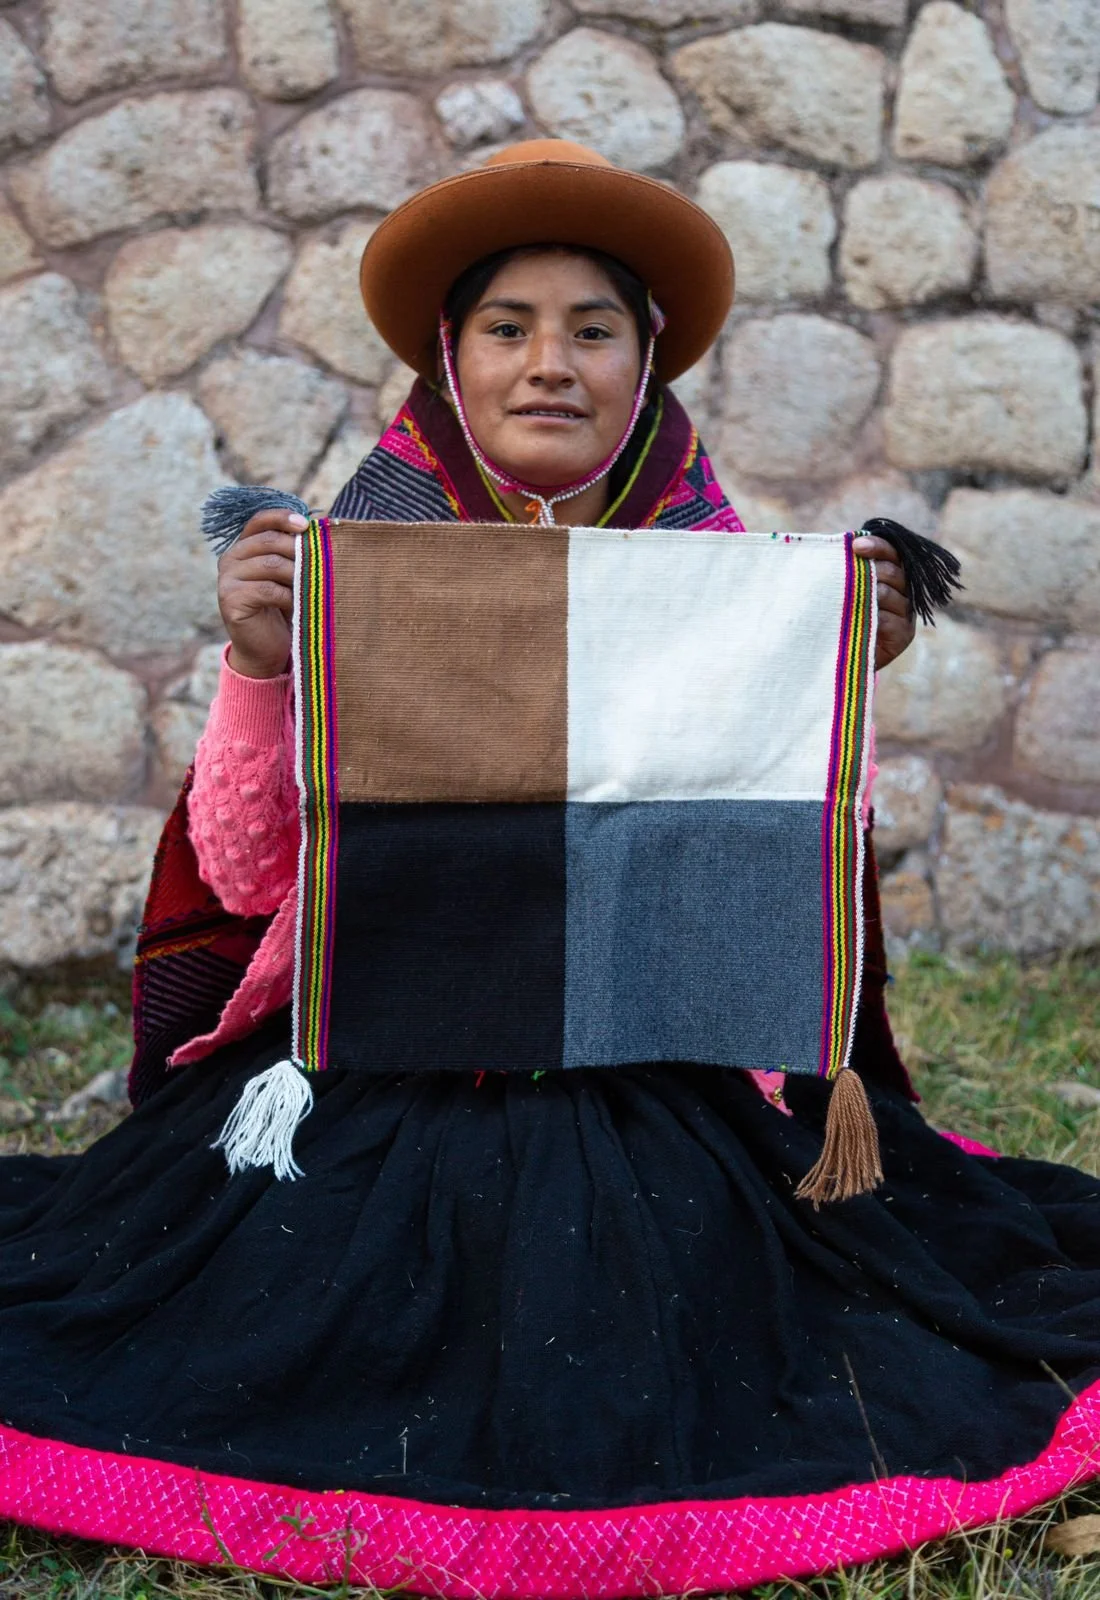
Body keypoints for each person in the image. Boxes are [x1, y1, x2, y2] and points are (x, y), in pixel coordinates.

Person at [0, 142, 1096, 1597]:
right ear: (450, 366)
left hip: (652, 1063)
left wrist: (830, 672)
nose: (549, 364)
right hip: (383, 1054)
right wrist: (262, 665)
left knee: (724, 1285)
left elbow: (770, 879)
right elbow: (251, 871)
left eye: (594, 330)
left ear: (645, 367)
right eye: (507, 328)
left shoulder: (724, 593)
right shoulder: (345, 573)